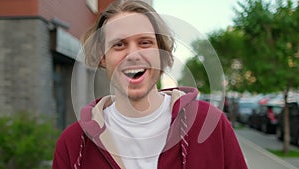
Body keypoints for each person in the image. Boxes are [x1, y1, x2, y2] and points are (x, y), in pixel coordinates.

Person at [52, 1, 248, 169]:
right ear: (103, 57)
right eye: (119, 44)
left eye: (145, 42)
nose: (133, 55)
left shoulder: (210, 124)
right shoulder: (74, 143)